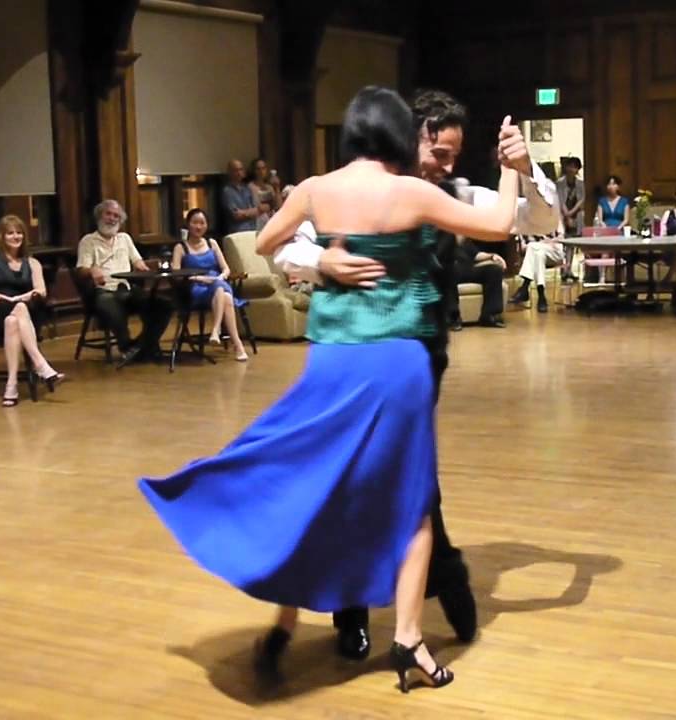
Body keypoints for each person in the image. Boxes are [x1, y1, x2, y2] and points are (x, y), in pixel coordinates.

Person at [138, 86, 521, 692]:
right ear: (400, 133)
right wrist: (510, 169)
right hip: (398, 363)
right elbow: (500, 225)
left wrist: (322, 261)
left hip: (333, 361)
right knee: (414, 506)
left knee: (314, 480)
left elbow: (263, 247)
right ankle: (409, 642)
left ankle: (287, 621)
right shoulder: (410, 192)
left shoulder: (315, 188)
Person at [274, 88, 557, 662]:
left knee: (399, 476)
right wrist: (320, 260)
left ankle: (429, 581)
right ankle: (367, 605)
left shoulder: (454, 193)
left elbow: (540, 221)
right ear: (413, 136)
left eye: (454, 156)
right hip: (351, 354)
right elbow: (284, 247)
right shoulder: (355, 186)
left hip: (419, 356)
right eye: (440, 152)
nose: (446, 166)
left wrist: (524, 170)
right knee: (367, 478)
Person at [0, 215, 65, 406]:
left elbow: (42, 291)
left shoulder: (32, 262)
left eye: (19, 233)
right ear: (1, 236)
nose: (16, 237)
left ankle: (12, 386)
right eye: (10, 233)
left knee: (14, 318)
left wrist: (29, 295)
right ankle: (40, 364)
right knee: (16, 312)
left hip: (22, 316)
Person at [75, 199, 171, 368]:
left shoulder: (125, 239)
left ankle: (140, 346)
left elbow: (138, 262)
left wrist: (145, 268)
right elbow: (81, 269)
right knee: (108, 302)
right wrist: (91, 271)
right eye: (108, 214)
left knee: (163, 305)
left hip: (126, 289)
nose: (112, 219)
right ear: (99, 216)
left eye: (116, 216)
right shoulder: (88, 241)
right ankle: (126, 346)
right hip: (103, 291)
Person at [172, 209, 249, 361]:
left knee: (221, 289)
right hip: (196, 287)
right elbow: (176, 273)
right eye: (195, 223)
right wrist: (198, 278)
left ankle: (218, 330)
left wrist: (221, 276)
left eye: (202, 223)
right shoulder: (181, 247)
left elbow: (226, 268)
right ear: (188, 224)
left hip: (216, 281)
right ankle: (233, 342)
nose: (198, 227)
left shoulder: (211, 243)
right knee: (225, 295)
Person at [221, 160, 259, 234]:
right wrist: (250, 212)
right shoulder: (227, 191)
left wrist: (244, 212)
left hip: (252, 230)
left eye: (241, 169)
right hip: (237, 233)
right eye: (236, 170)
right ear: (230, 172)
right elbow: (236, 215)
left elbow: (256, 211)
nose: (239, 173)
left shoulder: (247, 189)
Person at [248, 158, 282, 231]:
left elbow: (278, 206)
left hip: (271, 221)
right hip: (257, 222)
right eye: (258, 169)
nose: (261, 172)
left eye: (263, 168)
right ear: (254, 171)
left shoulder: (269, 187)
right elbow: (257, 206)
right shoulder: (250, 187)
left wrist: (277, 188)